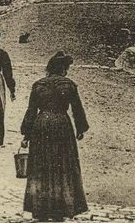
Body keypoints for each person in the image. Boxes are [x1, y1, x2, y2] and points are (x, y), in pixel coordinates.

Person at [21, 51, 89, 222]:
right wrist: (80, 128)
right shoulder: (69, 85)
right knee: (63, 164)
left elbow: (31, 111)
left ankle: (41, 208)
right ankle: (61, 207)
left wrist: (26, 134)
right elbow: (77, 109)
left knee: (41, 165)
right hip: (61, 124)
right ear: (64, 69)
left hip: (41, 124)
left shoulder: (38, 85)